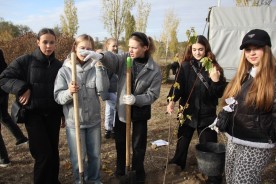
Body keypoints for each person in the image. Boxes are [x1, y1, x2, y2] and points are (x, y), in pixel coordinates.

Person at [79, 32, 162, 182]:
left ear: (145, 47)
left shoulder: (154, 69)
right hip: (123, 109)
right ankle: (121, 169)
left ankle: (137, 173)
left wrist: (136, 99)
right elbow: (113, 59)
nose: (130, 50)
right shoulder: (125, 59)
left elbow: (153, 94)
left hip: (140, 111)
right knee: (121, 142)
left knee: (138, 146)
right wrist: (101, 56)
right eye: (129, 47)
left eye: (135, 48)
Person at [0, 28, 63, 184]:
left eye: (52, 42)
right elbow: (4, 78)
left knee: (54, 154)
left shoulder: (59, 66)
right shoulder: (25, 61)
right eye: (45, 42)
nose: (48, 46)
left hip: (53, 115)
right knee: (43, 154)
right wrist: (23, 87)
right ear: (37, 42)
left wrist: (63, 114)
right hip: (33, 115)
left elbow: (62, 91)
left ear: (56, 44)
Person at [166, 35, 227, 183]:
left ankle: (212, 173)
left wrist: (216, 81)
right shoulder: (185, 66)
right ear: (190, 49)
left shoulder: (214, 67)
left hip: (207, 114)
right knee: (183, 139)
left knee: (209, 143)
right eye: (194, 49)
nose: (197, 52)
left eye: (200, 49)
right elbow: (177, 87)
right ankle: (178, 162)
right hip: (187, 112)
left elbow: (218, 93)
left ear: (206, 50)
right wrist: (171, 101)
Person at [221, 29, 276, 184]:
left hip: (257, 143)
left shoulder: (272, 78)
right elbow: (234, 102)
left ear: (266, 49)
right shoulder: (244, 75)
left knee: (243, 181)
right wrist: (226, 114)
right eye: (248, 50)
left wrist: (269, 133)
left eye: (256, 48)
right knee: (231, 179)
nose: (251, 53)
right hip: (235, 137)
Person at [54, 34, 109, 184]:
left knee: (95, 155)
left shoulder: (96, 67)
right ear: (75, 48)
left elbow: (103, 91)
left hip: (93, 121)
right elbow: (58, 97)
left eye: (89, 49)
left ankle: (95, 180)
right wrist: (69, 92)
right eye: (82, 48)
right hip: (74, 123)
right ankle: (80, 181)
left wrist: (99, 67)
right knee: (78, 156)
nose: (85, 51)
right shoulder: (65, 71)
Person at [0, 48, 28, 168]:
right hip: (2, 88)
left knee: (4, 116)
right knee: (4, 116)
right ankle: (20, 138)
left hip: (2, 87)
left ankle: (3, 158)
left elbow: (4, 71)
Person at [102, 38, 118, 139]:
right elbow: (104, 76)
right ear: (107, 46)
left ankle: (108, 129)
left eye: (116, 46)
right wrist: (104, 90)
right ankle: (112, 129)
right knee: (115, 107)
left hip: (115, 88)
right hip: (108, 89)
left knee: (110, 109)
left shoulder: (117, 57)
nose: (115, 48)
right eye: (113, 46)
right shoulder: (105, 59)